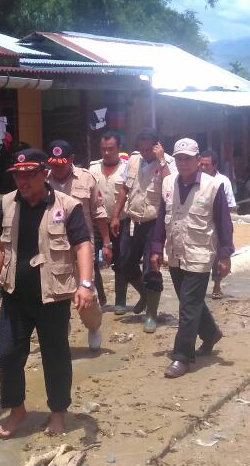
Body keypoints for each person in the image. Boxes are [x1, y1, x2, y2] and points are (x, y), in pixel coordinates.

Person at [0, 149, 95, 438]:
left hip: (53, 297)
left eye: (28, 174)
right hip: (15, 295)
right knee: (7, 354)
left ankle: (58, 413)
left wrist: (85, 284)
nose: (23, 180)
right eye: (18, 175)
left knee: (55, 356)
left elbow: (82, 245)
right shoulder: (8, 203)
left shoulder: (67, 205)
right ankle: (16, 409)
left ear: (44, 174)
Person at [150, 139, 234, 378]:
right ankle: (210, 333)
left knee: (187, 305)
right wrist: (156, 249)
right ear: (174, 160)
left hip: (200, 253)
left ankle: (182, 357)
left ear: (198, 161)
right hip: (175, 251)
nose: (183, 163)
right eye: (179, 158)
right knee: (191, 300)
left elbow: (224, 223)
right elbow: (160, 219)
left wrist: (225, 255)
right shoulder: (167, 183)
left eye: (188, 158)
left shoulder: (213, 186)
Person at [110, 128, 176, 332]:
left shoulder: (168, 162)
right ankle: (146, 296)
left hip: (154, 223)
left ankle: (151, 314)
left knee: (151, 267)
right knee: (125, 263)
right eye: (142, 149)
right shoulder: (133, 161)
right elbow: (124, 189)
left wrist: (161, 159)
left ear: (157, 146)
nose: (146, 153)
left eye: (149, 149)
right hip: (133, 221)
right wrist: (115, 215)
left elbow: (170, 188)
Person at [46, 139, 108, 350]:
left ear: (71, 160)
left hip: (82, 245)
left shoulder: (87, 179)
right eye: (53, 164)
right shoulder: (43, 181)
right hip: (53, 247)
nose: (57, 168)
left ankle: (93, 326)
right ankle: (62, 327)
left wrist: (106, 242)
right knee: (55, 292)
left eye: (61, 163)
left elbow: (98, 212)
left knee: (86, 291)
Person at [88, 132, 128, 308]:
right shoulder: (92, 168)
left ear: (118, 149)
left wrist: (117, 217)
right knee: (91, 259)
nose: (106, 153)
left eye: (110, 149)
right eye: (103, 149)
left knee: (121, 261)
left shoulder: (127, 168)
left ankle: (120, 300)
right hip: (97, 222)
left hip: (121, 222)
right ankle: (100, 298)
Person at [199, 150, 237, 300]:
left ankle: (216, 284)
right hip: (200, 222)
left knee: (217, 257)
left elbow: (228, 207)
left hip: (218, 223)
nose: (203, 167)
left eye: (206, 165)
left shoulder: (223, 181)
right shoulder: (196, 180)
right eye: (201, 164)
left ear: (214, 165)